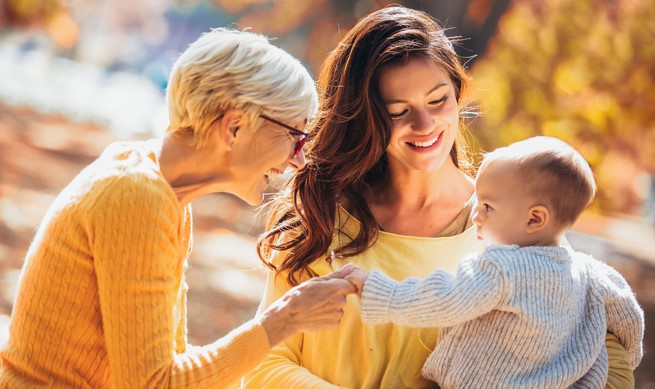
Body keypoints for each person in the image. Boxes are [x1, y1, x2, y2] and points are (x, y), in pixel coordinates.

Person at [243, 6, 638, 389]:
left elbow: (597, 347)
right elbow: (264, 366)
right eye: (398, 111)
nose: (425, 125)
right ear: (366, 118)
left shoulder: (511, 223)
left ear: (457, 93)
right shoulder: (322, 219)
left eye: (438, 101)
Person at [0, 28, 357, 388]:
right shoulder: (135, 196)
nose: (297, 161)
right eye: (295, 137)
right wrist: (283, 319)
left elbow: (170, 362)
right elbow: (154, 384)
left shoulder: (163, 192)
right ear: (234, 127)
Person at [346, 136, 645, 389]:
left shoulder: (501, 269)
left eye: (487, 206)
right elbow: (630, 320)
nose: (476, 215)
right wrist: (628, 360)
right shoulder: (591, 272)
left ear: (534, 218)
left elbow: (445, 299)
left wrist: (381, 292)